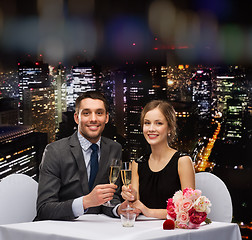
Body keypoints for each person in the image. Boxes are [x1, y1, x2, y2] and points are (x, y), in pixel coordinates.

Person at [36, 91, 127, 220]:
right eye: (86, 113)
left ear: (106, 118)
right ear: (77, 118)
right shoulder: (54, 151)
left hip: (97, 228)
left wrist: (118, 209)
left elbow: (111, 198)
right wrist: (85, 202)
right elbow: (44, 209)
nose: (93, 119)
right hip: (60, 229)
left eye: (99, 113)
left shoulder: (115, 148)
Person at [121, 100, 195, 219]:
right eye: (147, 123)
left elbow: (189, 210)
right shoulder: (137, 164)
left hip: (173, 232)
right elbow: (135, 207)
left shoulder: (183, 161)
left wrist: (149, 212)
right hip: (144, 231)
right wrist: (130, 198)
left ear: (170, 128)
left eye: (158, 123)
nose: (151, 129)